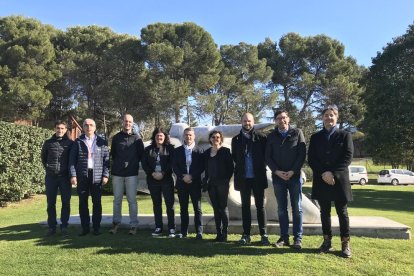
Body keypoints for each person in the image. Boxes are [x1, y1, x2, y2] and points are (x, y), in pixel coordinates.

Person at [308, 105, 354, 258]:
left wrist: (332, 173)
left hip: (339, 180)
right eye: (326, 115)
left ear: (337, 117)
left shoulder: (345, 135)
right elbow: (312, 159)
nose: (329, 118)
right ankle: (326, 241)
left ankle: (345, 243)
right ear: (322, 118)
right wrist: (323, 173)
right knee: (324, 212)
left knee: (342, 212)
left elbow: (347, 157)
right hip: (322, 180)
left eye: (331, 115)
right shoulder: (315, 137)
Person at [265, 110, 306, 249]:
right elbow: (268, 157)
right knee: (282, 209)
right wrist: (277, 171)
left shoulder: (297, 133)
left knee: (297, 208)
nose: (281, 120)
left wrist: (292, 171)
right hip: (278, 178)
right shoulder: (271, 136)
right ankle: (284, 238)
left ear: (288, 119)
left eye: (284, 118)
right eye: (278, 118)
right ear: (275, 121)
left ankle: (297, 239)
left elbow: (302, 154)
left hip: (294, 177)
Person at [231, 113, 269, 245]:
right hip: (243, 178)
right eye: (245, 121)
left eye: (249, 121)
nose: (247, 123)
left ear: (253, 122)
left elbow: (266, 156)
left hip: (258, 177)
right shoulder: (236, 140)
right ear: (241, 122)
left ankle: (264, 234)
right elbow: (235, 157)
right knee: (245, 207)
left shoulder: (262, 137)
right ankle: (246, 234)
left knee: (260, 207)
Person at [69, 118, 110, 236]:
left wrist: (105, 175)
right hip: (82, 175)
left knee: (97, 202)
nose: (89, 127)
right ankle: (85, 228)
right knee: (83, 202)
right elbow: (72, 161)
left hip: (96, 176)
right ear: (83, 127)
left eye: (91, 125)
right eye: (86, 125)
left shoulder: (102, 142)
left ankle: (96, 228)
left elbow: (106, 161)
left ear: (95, 127)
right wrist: (73, 175)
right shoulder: (77, 142)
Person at [109, 114, 144, 235]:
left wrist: (131, 164)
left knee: (132, 200)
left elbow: (141, 155)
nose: (127, 123)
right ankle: (116, 223)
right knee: (117, 200)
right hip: (117, 173)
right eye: (125, 121)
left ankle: (133, 225)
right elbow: (113, 154)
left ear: (132, 123)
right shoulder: (116, 138)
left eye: (130, 122)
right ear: (122, 122)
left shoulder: (137, 138)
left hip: (131, 174)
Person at [41, 120, 74, 237]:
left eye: (62, 128)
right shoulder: (48, 143)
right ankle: (52, 227)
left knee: (66, 203)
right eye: (58, 128)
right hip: (51, 178)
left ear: (65, 130)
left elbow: (72, 160)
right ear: (55, 129)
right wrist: (49, 168)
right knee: (51, 203)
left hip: (65, 178)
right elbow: (43, 159)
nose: (60, 130)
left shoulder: (70, 143)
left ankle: (64, 226)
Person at [141, 127, 175, 237]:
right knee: (157, 204)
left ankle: (171, 228)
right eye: (157, 136)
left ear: (165, 137)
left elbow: (172, 163)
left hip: (167, 180)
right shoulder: (148, 149)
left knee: (170, 205)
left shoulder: (170, 149)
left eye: (161, 136)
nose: (159, 137)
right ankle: (158, 227)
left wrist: (163, 173)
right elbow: (144, 163)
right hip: (153, 180)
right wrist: (152, 173)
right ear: (154, 137)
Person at [172, 127, 204, 239]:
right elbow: (174, 166)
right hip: (182, 183)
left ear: (194, 136)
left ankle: (199, 231)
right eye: (186, 135)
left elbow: (201, 167)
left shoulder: (200, 151)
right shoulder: (177, 151)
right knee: (183, 208)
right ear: (183, 136)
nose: (188, 137)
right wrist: (182, 176)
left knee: (197, 208)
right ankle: (183, 232)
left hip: (195, 183)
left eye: (190, 135)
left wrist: (192, 176)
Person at [203, 130, 234, 242]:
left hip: (222, 184)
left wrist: (225, 181)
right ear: (210, 139)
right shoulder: (206, 153)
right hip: (211, 184)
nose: (215, 139)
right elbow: (206, 169)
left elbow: (231, 168)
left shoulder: (226, 151)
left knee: (223, 208)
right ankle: (218, 233)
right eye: (213, 137)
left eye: (217, 137)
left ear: (221, 139)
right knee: (216, 209)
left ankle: (225, 234)